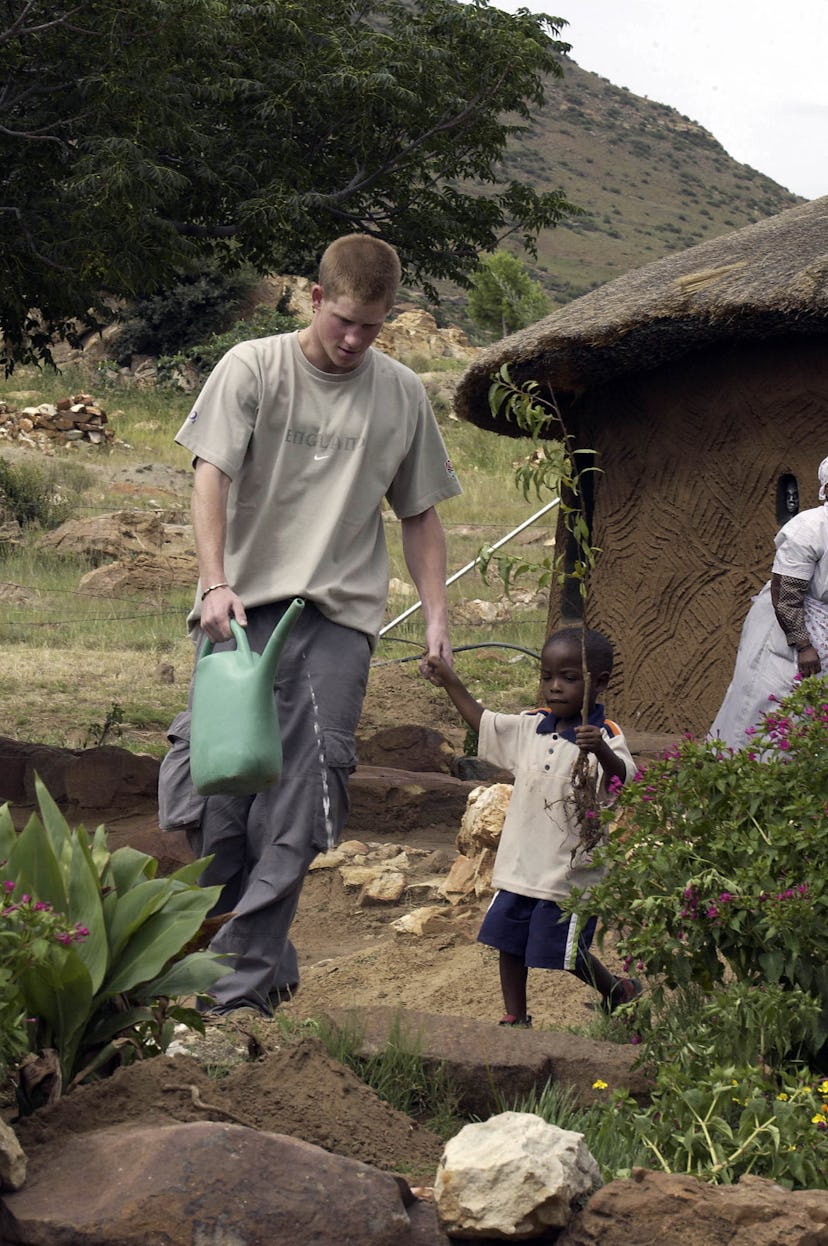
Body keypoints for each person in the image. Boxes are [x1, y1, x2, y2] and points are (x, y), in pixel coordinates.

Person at [158, 233, 462, 1015]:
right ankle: (268, 954)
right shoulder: (252, 368)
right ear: (316, 300)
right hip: (240, 609)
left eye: (375, 326)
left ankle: (235, 995)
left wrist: (436, 616)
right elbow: (210, 474)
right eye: (346, 322)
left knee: (303, 794)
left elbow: (419, 511)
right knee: (216, 797)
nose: (357, 340)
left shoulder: (400, 395)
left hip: (336, 617)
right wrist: (215, 582)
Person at [426, 626, 640, 1027]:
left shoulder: (605, 736)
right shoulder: (530, 726)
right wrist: (451, 682)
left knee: (566, 951)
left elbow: (622, 784)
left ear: (601, 682)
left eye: (569, 678)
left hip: (568, 873)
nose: (555, 687)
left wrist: (601, 753)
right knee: (509, 942)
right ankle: (516, 1014)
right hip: (521, 864)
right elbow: (483, 722)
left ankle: (616, 990)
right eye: (547, 677)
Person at [710, 457, 828, 751]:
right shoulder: (810, 527)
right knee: (769, 700)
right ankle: (746, 771)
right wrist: (803, 645)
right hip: (789, 629)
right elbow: (786, 590)